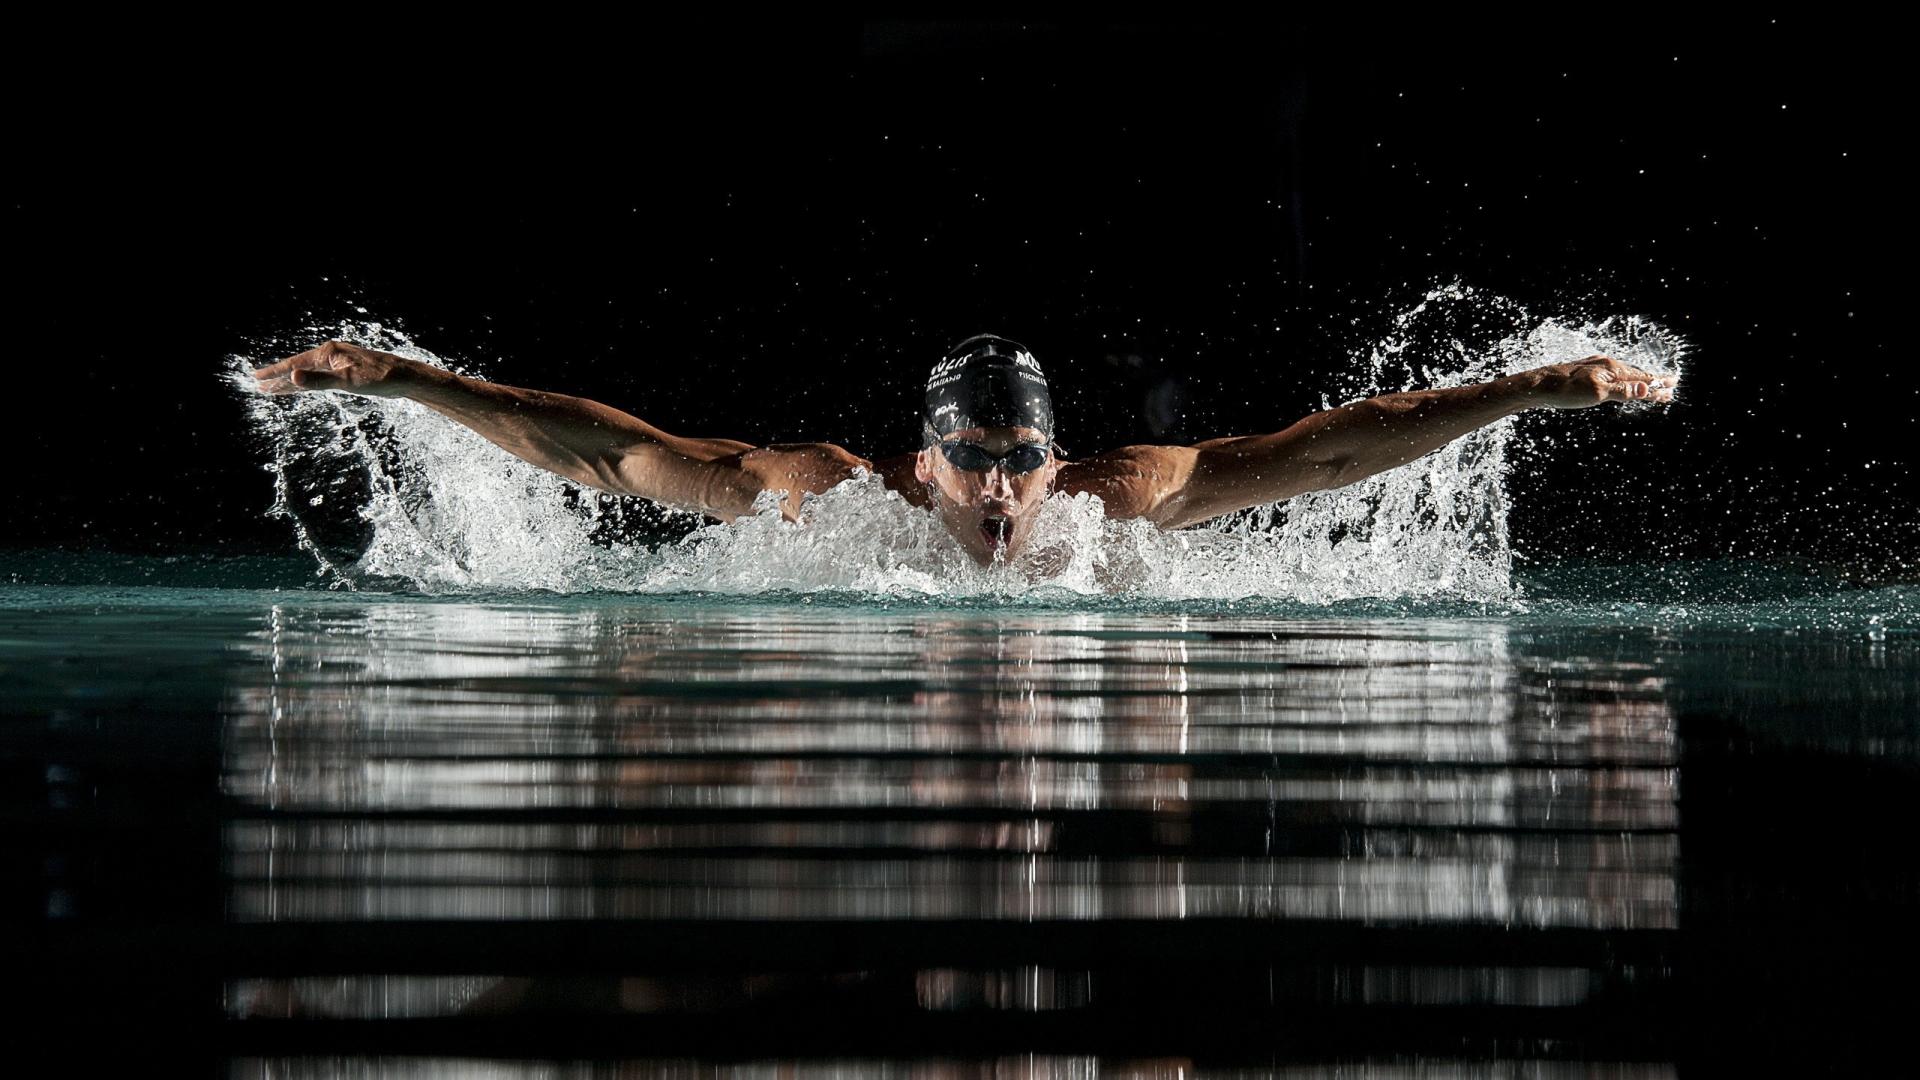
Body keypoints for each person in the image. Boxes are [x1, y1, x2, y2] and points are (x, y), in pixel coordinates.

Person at [251, 333, 1676, 565]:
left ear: (1058, 461)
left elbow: (1331, 454)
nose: (1000, 492)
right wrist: (399, 381)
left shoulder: (1120, 502)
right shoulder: (831, 498)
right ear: (918, 463)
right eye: (974, 462)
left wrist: (1533, 389)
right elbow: (606, 459)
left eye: (1022, 461)